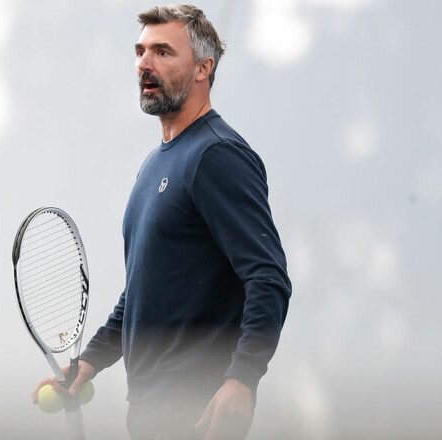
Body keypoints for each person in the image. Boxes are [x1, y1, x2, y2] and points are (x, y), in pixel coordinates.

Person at [33, 5, 291, 439]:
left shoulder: (217, 156)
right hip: (149, 407)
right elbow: (143, 290)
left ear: (203, 68)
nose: (144, 64)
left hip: (196, 407)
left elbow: (268, 276)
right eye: (141, 51)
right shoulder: (154, 164)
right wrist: (91, 361)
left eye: (163, 52)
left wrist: (242, 378)